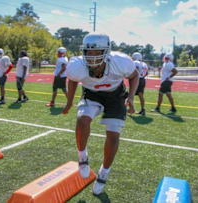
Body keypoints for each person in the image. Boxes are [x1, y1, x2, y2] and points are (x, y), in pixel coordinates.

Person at [62, 33, 139, 195]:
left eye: (96, 52)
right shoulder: (77, 65)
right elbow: (73, 80)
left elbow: (134, 76)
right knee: (82, 120)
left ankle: (104, 172)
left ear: (106, 51)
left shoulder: (121, 61)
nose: (91, 56)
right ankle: (82, 156)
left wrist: (131, 97)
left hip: (115, 96)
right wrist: (69, 102)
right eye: (88, 52)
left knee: (113, 135)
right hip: (91, 94)